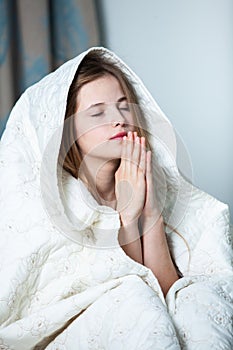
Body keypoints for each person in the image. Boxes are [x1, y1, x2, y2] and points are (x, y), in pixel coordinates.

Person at [0, 46, 232, 349]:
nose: (119, 119)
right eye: (98, 112)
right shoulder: (62, 204)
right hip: (99, 319)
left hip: (151, 299)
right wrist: (128, 215)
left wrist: (148, 211)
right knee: (134, 303)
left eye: (124, 106)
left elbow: (167, 290)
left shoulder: (150, 178)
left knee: (196, 300)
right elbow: (130, 287)